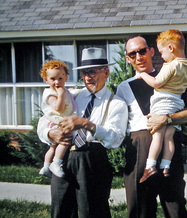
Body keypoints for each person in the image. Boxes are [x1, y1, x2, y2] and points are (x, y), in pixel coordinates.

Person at [37, 47, 128, 218]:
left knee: (92, 210)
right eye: (84, 73)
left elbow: (115, 139)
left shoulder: (116, 104)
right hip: (63, 159)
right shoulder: (72, 95)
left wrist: (86, 124)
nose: (87, 78)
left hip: (92, 159)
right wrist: (50, 134)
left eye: (92, 72)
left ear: (106, 72)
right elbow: (43, 122)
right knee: (61, 209)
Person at [116, 35, 187, 218]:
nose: (138, 56)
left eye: (142, 51)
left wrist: (167, 119)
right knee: (140, 207)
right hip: (139, 147)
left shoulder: (173, 73)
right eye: (132, 54)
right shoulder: (124, 88)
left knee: (174, 205)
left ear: (151, 51)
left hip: (169, 144)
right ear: (128, 59)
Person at [137, 29, 187, 183]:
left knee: (157, 135)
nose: (161, 56)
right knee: (169, 136)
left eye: (162, 52)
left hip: (162, 102)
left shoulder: (170, 66)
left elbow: (157, 82)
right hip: (177, 103)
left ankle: (150, 166)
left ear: (171, 48)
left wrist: (142, 74)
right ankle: (166, 166)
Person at [39, 60, 77, 178]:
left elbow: (69, 97)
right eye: (53, 79)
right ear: (46, 80)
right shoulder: (51, 94)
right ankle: (56, 163)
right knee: (64, 142)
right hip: (58, 122)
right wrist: (60, 95)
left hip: (60, 120)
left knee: (53, 146)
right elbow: (59, 108)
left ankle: (45, 167)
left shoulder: (64, 90)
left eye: (60, 78)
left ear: (66, 77)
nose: (57, 82)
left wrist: (66, 93)